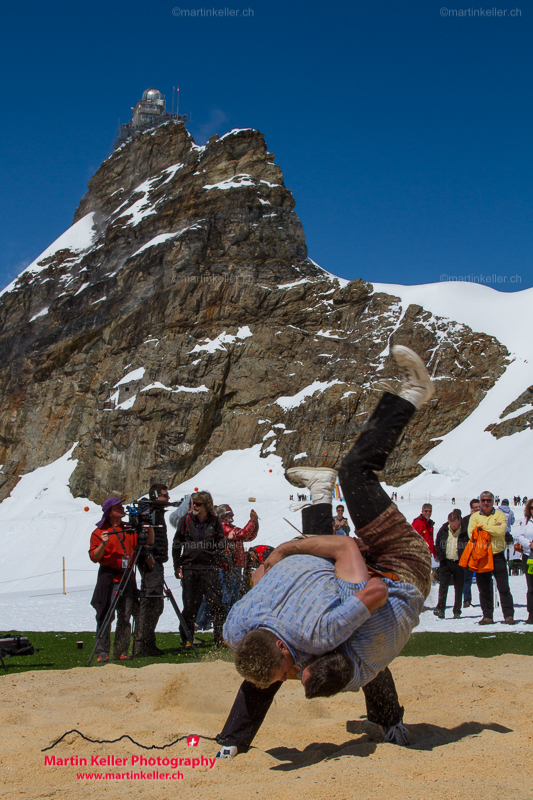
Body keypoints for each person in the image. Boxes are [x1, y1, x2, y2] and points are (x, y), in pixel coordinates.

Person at [218, 345, 433, 755]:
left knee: (356, 473)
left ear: (282, 645)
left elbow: (346, 551)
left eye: (287, 670)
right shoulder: (238, 629)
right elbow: (260, 580)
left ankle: (413, 392)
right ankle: (233, 742)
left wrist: (292, 548)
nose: (289, 678)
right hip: (356, 588)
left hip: (399, 569)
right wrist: (281, 565)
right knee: (296, 646)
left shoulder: (317, 632)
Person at [89, 497, 154, 662]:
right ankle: (102, 652)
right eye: (118, 507)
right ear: (110, 512)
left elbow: (149, 542)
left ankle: (121, 651)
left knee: (125, 616)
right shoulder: (99, 532)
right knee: (105, 615)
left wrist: (148, 525)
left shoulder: (129, 529)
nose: (122, 508)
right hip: (109, 576)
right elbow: (94, 557)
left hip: (127, 577)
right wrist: (102, 545)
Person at [172, 491, 227, 647]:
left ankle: (220, 638)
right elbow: (176, 544)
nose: (194, 506)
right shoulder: (185, 521)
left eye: (198, 504)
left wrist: (220, 557)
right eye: (193, 503)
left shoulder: (215, 521)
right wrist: (177, 566)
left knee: (216, 603)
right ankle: (187, 638)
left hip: (210, 568)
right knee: (190, 605)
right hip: (190, 567)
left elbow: (220, 542)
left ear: (206, 505)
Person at [132, 483, 171, 657]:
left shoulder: (156, 512)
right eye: (164, 495)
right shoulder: (148, 511)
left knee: (156, 603)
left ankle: (147, 641)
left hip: (157, 559)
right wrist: (147, 554)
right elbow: (143, 536)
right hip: (150, 560)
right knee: (151, 601)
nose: (168, 498)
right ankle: (142, 644)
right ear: (155, 496)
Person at [468, 491, 516, 624]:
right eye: (483, 500)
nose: (485, 503)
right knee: (484, 588)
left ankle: (508, 615)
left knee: (504, 587)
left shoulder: (500, 514)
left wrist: (482, 527)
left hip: (497, 555)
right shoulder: (474, 517)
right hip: (481, 556)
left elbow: (501, 530)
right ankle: (487, 615)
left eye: (488, 500)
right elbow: (472, 533)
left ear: (493, 501)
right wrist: (491, 528)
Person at [216, 504, 258, 613]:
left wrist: (255, 523)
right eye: (230, 513)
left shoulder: (230, 527)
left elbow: (249, 536)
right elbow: (243, 534)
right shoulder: (223, 527)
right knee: (227, 594)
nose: (232, 514)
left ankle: (230, 617)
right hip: (229, 565)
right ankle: (224, 618)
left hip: (236, 565)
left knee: (234, 595)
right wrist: (252, 521)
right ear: (223, 516)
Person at [433, 509, 467, 619]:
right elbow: (437, 543)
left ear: (459, 522)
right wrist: (440, 555)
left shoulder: (464, 531)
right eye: (452, 525)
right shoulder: (443, 530)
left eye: (456, 526)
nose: (454, 528)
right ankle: (441, 609)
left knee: (459, 587)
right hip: (445, 562)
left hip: (459, 562)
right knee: (443, 586)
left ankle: (457, 611)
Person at [461, 498, 480, 608]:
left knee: (485, 578)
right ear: (471, 508)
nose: (477, 509)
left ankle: (487, 599)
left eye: (479, 507)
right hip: (469, 552)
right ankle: (467, 600)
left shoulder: (484, 519)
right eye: (475, 507)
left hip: (482, 552)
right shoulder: (466, 520)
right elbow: (463, 535)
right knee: (467, 578)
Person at [517, 498, 533, 624]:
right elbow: (520, 536)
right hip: (529, 556)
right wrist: (529, 544)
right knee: (531, 586)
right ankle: (531, 614)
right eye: (532, 508)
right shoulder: (526, 522)